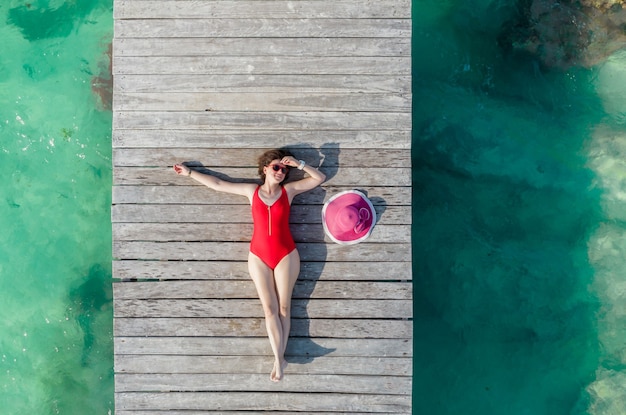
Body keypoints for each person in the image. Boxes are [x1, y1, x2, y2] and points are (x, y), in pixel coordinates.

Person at [173, 149, 326, 382]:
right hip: (258, 256)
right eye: (276, 167)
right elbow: (218, 184)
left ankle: (278, 359)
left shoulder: (289, 191)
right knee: (268, 309)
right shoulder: (251, 191)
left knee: (285, 308)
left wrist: (300, 164)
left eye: (284, 169)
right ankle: (279, 358)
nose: (281, 172)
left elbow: (319, 179)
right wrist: (190, 173)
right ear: (265, 169)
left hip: (286, 254)